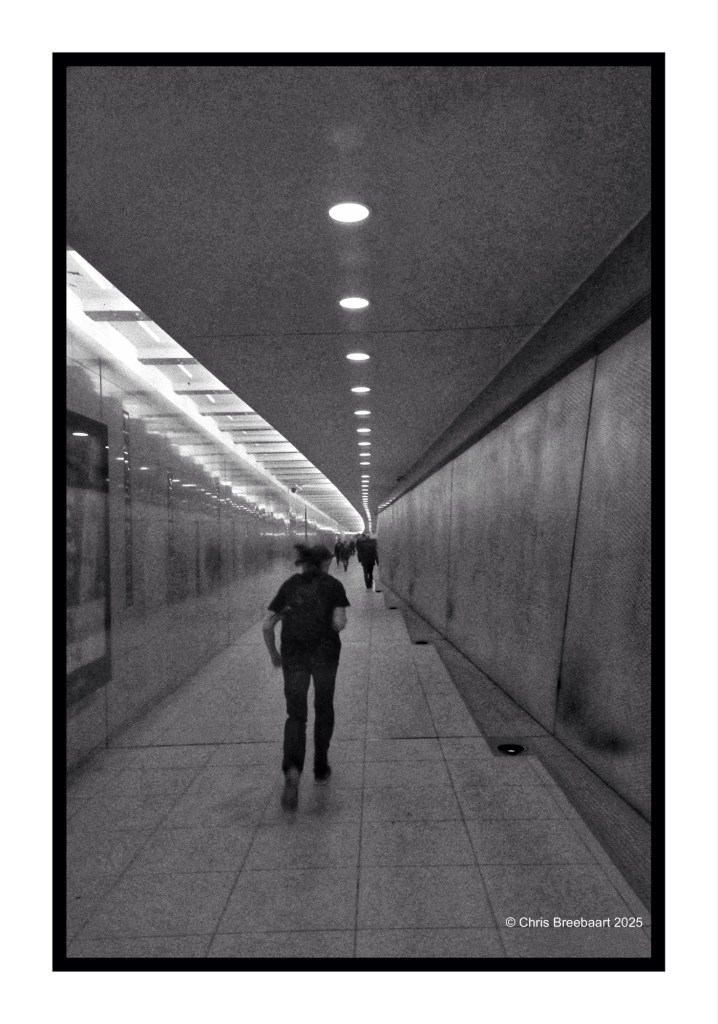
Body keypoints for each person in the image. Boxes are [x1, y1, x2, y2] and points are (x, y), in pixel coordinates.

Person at [262, 543, 350, 810]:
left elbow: (267, 624)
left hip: (294, 658)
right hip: (325, 657)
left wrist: (274, 654)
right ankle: (321, 766)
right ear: (324, 563)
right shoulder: (334, 586)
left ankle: (292, 771)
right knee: (324, 709)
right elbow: (339, 623)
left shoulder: (289, 586)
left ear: (302, 564)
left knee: (296, 715)